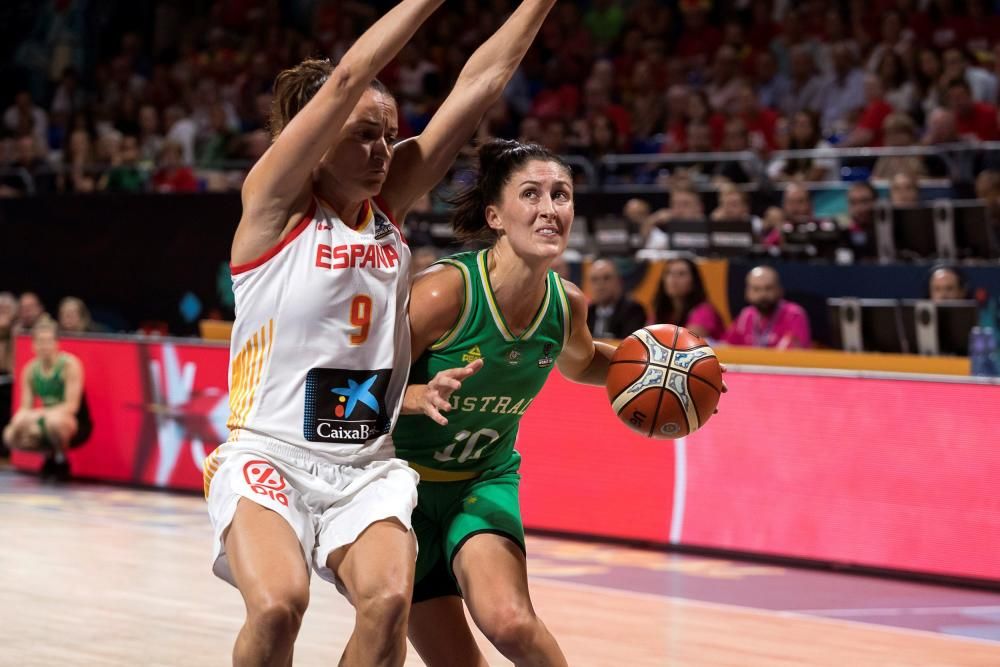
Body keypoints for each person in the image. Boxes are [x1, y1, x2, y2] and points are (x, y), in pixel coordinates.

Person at [200, 2, 557, 665]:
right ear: (317, 135)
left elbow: (481, 83)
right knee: (279, 605)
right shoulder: (274, 208)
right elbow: (349, 76)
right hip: (270, 454)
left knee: (389, 602)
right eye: (364, 133)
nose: (382, 151)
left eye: (389, 134)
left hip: (364, 463)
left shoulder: (385, 207)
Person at [393, 139, 620, 667]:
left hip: (481, 480)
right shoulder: (443, 293)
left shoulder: (566, 305)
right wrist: (412, 394)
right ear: (495, 215)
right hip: (395, 486)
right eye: (531, 195)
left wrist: (661, 370)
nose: (549, 209)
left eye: (560, 195)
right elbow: (359, 381)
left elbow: (583, 363)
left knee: (511, 622)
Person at [2, 319, 90, 481]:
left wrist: (38, 414)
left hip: (73, 421)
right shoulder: (30, 370)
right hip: (45, 417)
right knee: (11, 434)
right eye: (40, 341)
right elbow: (25, 407)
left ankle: (61, 459)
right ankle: (46, 456)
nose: (44, 346)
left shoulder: (69, 365)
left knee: (54, 422)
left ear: (57, 343)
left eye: (48, 341)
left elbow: (72, 406)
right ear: (33, 345)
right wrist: (19, 421)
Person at [725, 266, 812, 349]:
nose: (763, 294)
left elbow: (795, 354)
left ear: (779, 289)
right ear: (747, 292)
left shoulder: (794, 315)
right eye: (756, 289)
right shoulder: (746, 315)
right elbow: (727, 346)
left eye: (768, 288)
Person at [653, 257, 725, 341]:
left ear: (694, 281)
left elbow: (686, 343)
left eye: (681, 274)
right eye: (668, 273)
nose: (673, 279)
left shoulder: (704, 311)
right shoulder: (660, 311)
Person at [585, 258, 648, 339]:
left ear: (618, 281)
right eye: (594, 280)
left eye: (606, 278)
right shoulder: (587, 313)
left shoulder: (633, 311)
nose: (600, 285)